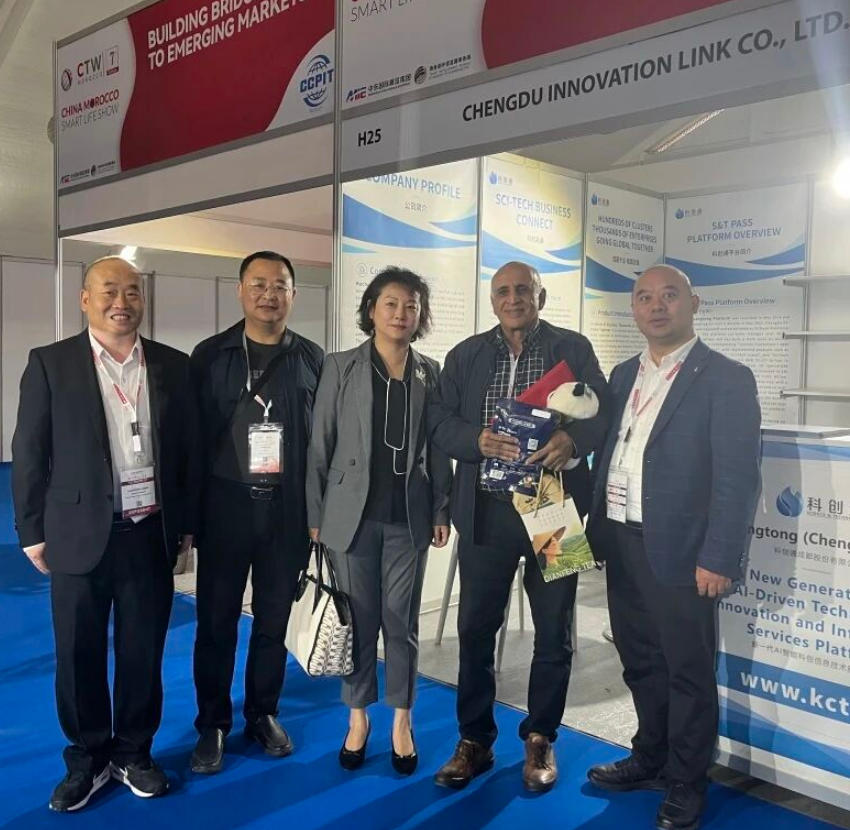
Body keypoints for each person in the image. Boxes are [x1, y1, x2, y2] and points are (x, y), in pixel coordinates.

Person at [12, 256, 198, 811]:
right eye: (109, 291)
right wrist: (31, 530)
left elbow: (186, 452)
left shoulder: (172, 365)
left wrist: (186, 526)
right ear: (85, 299)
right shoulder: (51, 364)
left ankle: (133, 752)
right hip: (76, 532)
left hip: (148, 532)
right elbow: (29, 451)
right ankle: (87, 759)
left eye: (133, 292)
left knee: (143, 650)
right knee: (78, 654)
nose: (122, 302)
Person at [585, 265, 761, 830]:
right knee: (640, 660)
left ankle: (686, 780)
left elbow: (738, 478)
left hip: (685, 551)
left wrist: (719, 556)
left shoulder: (727, 378)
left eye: (669, 295)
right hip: (622, 539)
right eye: (644, 297)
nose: (656, 306)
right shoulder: (622, 375)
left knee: (687, 670)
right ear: (633, 309)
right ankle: (650, 756)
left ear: (694, 303)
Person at [428, 260, 609, 792]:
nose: (513, 298)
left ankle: (540, 737)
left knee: (554, 632)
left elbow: (603, 411)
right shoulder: (465, 355)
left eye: (523, 290)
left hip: (554, 510)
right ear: (492, 301)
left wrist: (574, 441)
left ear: (540, 296)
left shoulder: (572, 348)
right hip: (485, 510)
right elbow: (439, 420)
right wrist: (474, 440)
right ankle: (475, 740)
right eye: (503, 291)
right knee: (474, 629)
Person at [306, 267, 451, 775]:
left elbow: (438, 449)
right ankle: (357, 718)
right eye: (391, 303)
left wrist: (440, 508)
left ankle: (402, 721)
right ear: (372, 310)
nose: (401, 313)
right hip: (351, 517)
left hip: (409, 518)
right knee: (360, 620)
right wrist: (315, 514)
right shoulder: (341, 366)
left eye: (411, 305)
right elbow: (320, 443)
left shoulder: (430, 372)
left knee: (401, 623)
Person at [189, 251, 323, 774]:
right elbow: (190, 442)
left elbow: (323, 443)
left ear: (293, 294)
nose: (269, 294)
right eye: (259, 284)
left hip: (286, 511)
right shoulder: (210, 355)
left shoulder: (311, 358)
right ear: (240, 290)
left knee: (273, 621)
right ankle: (212, 723)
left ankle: (262, 712)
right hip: (225, 508)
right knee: (215, 622)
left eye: (280, 285)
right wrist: (189, 520)